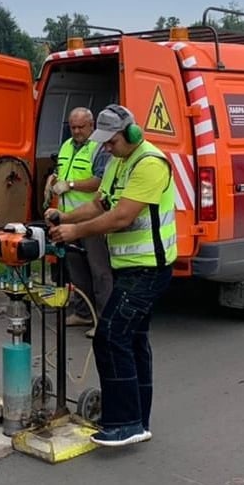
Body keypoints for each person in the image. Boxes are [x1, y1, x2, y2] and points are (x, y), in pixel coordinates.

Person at [47, 104, 177, 448]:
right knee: (132, 340)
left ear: (132, 133)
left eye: (111, 141)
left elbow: (122, 217)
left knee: (109, 338)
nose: (106, 146)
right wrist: (64, 218)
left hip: (148, 269)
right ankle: (138, 420)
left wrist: (75, 232)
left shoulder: (150, 164)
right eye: (103, 141)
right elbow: (100, 205)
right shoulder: (118, 162)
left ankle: (124, 423)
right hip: (130, 267)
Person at [44, 107, 112, 333]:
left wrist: (71, 185)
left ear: (91, 125)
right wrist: (52, 179)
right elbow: (61, 170)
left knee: (99, 271)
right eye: (72, 127)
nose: (76, 131)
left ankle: (103, 321)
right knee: (76, 268)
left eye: (81, 127)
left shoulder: (99, 147)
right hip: (68, 219)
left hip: (92, 219)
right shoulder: (66, 146)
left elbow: (101, 181)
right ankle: (83, 313)